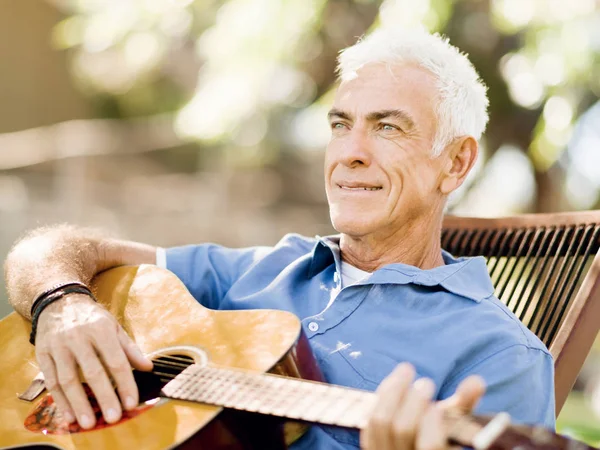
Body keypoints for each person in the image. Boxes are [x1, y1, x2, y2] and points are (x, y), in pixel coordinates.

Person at [4, 28, 555, 450]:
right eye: (341, 124)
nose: (349, 152)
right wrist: (62, 303)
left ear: (455, 163)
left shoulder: (502, 357)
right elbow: (51, 249)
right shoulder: (267, 267)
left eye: (387, 127)